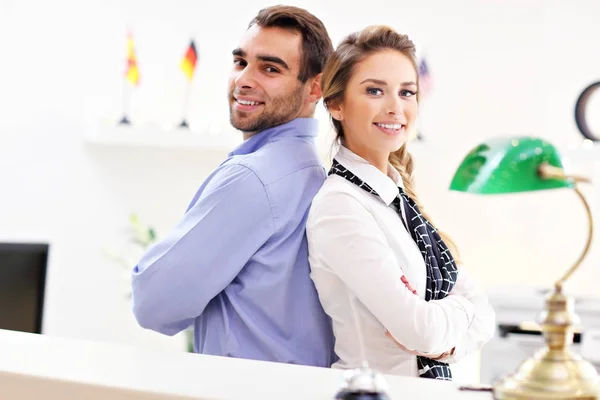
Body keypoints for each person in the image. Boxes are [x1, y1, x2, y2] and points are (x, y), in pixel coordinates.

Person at [131, 5, 337, 367]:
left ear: (315, 87)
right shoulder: (311, 172)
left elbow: (152, 304)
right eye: (241, 62)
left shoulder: (254, 178)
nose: (244, 79)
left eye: (270, 68)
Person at [306, 25, 495, 379]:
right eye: (375, 91)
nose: (395, 107)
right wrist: (457, 313)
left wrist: (444, 331)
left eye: (407, 93)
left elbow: (485, 314)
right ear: (336, 104)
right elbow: (419, 330)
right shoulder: (340, 206)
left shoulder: (398, 198)